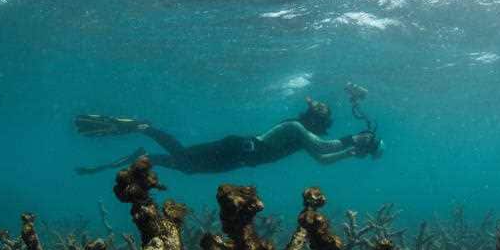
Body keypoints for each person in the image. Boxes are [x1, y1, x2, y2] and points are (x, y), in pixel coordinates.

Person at [73, 97, 384, 175]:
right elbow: (323, 145)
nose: (323, 127)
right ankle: (144, 127)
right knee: (183, 158)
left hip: (237, 160)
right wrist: (354, 140)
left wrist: (350, 151)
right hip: (235, 147)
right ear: (315, 120)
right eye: (324, 122)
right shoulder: (296, 128)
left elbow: (323, 160)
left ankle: (141, 156)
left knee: (186, 167)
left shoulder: (303, 138)